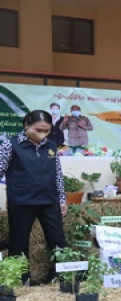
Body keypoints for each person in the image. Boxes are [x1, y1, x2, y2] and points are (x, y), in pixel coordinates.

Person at [0, 110, 68, 284]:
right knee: (19, 242)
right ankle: (21, 280)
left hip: (49, 200)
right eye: (38, 130)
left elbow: (58, 174)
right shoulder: (11, 144)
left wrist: (62, 199)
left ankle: (60, 277)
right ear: (27, 125)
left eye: (46, 130)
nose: (43, 134)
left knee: (57, 239)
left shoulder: (51, 146)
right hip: (22, 202)